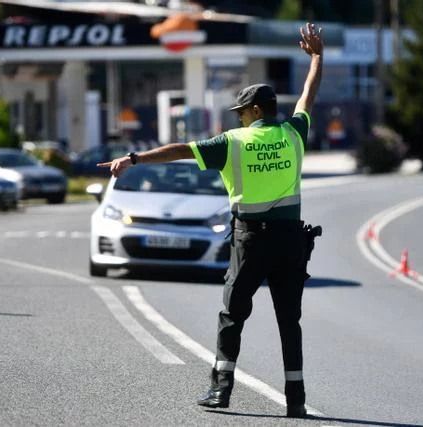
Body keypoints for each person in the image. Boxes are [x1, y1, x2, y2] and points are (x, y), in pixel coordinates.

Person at [98, 22, 323, 418]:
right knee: (290, 321)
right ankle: (296, 401)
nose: (238, 119)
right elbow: (308, 97)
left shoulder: (232, 143)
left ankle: (221, 392)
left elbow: (180, 150)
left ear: (255, 111)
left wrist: (134, 159)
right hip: (290, 241)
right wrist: (317, 57)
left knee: (232, 315)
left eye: (241, 112)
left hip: (251, 240)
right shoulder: (294, 134)